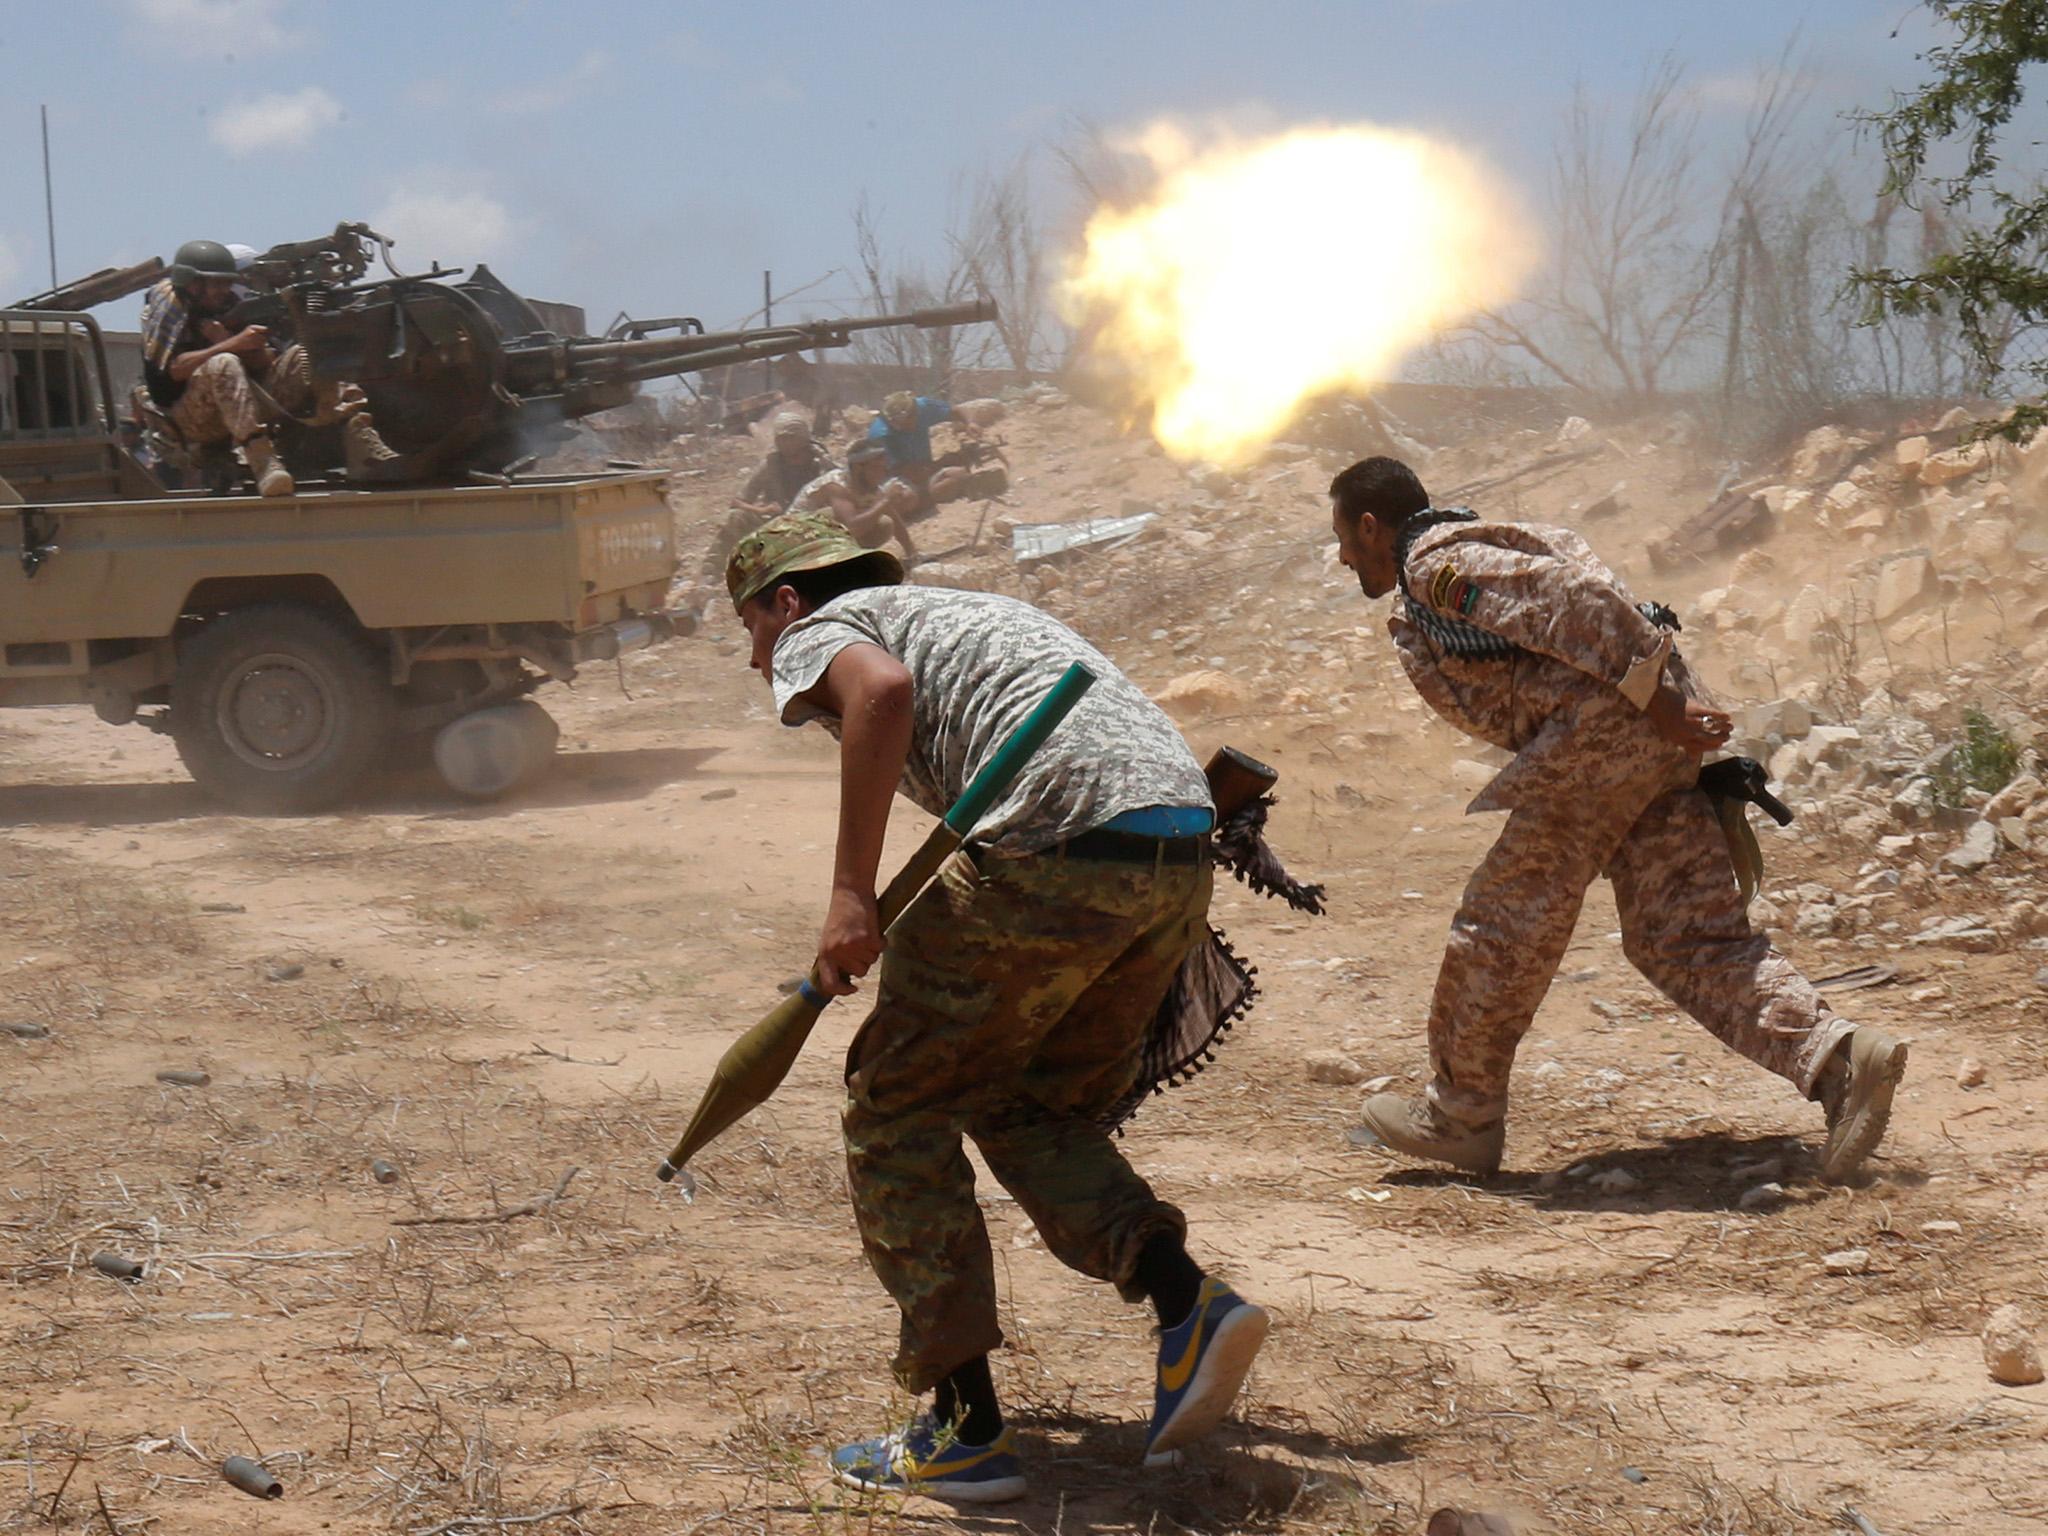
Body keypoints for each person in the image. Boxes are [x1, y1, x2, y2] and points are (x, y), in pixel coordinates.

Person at [726, 510, 1268, 1502]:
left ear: (786, 600)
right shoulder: (956, 608)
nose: (761, 659)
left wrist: (851, 893)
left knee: (896, 1104)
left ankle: (963, 1430)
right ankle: (1186, 1303)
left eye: (749, 631)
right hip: (1173, 853)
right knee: (1024, 1104)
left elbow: (879, 696)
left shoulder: (824, 630)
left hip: (1050, 844)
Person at [1328, 456, 1907, 1182]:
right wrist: (1672, 713)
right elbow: (1614, 604)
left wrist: (1660, 704)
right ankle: (1840, 1060)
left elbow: (1575, 602)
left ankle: (1461, 1115)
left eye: (1345, 538)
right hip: (1647, 743)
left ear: (1373, 525)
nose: (1346, 555)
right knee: (1684, 935)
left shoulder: (1436, 565)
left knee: (1501, 926)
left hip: (1604, 745)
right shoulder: (1509, 537)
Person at [139, 239, 396, 496]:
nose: (223, 289)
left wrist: (249, 346)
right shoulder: (169, 304)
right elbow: (172, 370)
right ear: (192, 283)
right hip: (188, 421)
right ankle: (263, 462)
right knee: (223, 362)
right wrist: (229, 344)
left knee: (305, 354)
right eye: (216, 283)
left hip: (240, 405)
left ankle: (359, 437)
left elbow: (266, 364)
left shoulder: (226, 304)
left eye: (227, 282)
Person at [792, 442, 922, 560]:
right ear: (858, 468)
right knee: (830, 515)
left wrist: (912, 553)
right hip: (794, 537)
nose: (883, 473)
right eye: (876, 468)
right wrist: (886, 500)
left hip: (819, 540)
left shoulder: (869, 486)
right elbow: (852, 527)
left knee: (885, 524)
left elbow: (893, 517)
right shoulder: (835, 484)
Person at [866, 389, 973, 509]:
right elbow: (906, 472)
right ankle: (925, 498)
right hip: (898, 479)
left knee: (959, 473)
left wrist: (971, 423)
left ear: (916, 412)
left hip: (924, 469)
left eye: (908, 422)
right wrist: (941, 463)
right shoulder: (881, 435)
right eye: (899, 424)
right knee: (905, 498)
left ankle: (927, 496)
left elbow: (956, 411)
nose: (905, 427)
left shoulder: (922, 407)